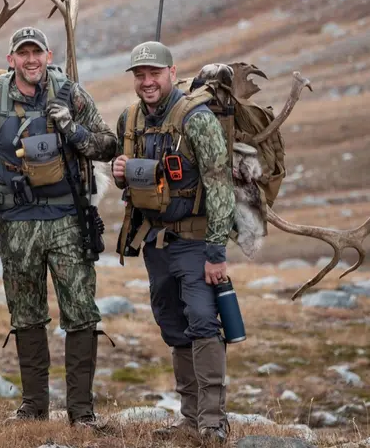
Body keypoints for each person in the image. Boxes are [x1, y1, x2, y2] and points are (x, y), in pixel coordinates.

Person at [0, 27, 117, 428]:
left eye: (37, 53)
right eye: (22, 53)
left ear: (48, 56)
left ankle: (81, 413)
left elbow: (108, 144)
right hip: (15, 222)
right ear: (11, 59)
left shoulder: (72, 95)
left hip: (68, 219)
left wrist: (73, 130)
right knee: (26, 314)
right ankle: (34, 407)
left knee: (81, 313)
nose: (31, 60)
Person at [112, 41, 235, 443]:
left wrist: (217, 253)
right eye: (140, 75)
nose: (147, 82)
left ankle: (213, 422)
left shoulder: (196, 118)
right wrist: (120, 173)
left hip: (196, 242)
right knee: (173, 325)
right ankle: (190, 417)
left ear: (171, 72)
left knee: (202, 321)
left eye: (155, 74)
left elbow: (219, 182)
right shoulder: (129, 119)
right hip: (156, 244)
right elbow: (140, 177)